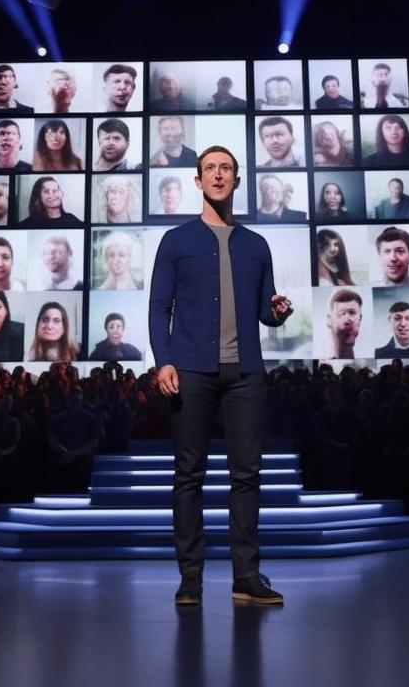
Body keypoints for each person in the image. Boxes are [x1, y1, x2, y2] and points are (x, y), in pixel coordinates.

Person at [148, 143, 291, 605]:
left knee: (247, 476)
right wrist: (163, 359)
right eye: (209, 168)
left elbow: (266, 314)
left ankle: (246, 576)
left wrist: (278, 311)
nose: (217, 174)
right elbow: (159, 306)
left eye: (225, 168)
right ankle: (190, 578)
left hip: (247, 372)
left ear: (236, 179)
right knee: (188, 475)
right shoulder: (176, 241)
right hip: (190, 370)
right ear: (197, 180)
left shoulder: (256, 244)